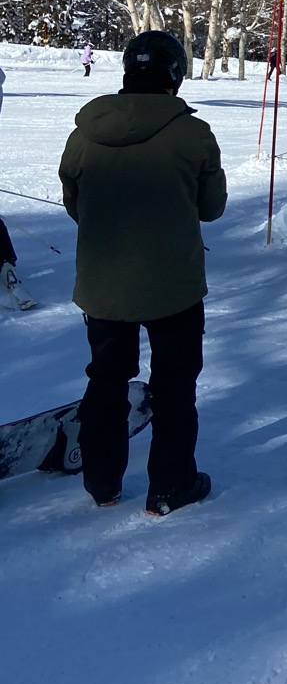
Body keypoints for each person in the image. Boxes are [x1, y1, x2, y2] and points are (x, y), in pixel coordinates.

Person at [59, 31, 226, 516]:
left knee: (106, 378)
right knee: (174, 385)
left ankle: (102, 483)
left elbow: (75, 205)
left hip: (103, 283)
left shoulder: (84, 133)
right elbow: (211, 207)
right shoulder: (192, 133)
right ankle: (170, 487)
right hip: (174, 286)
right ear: (175, 75)